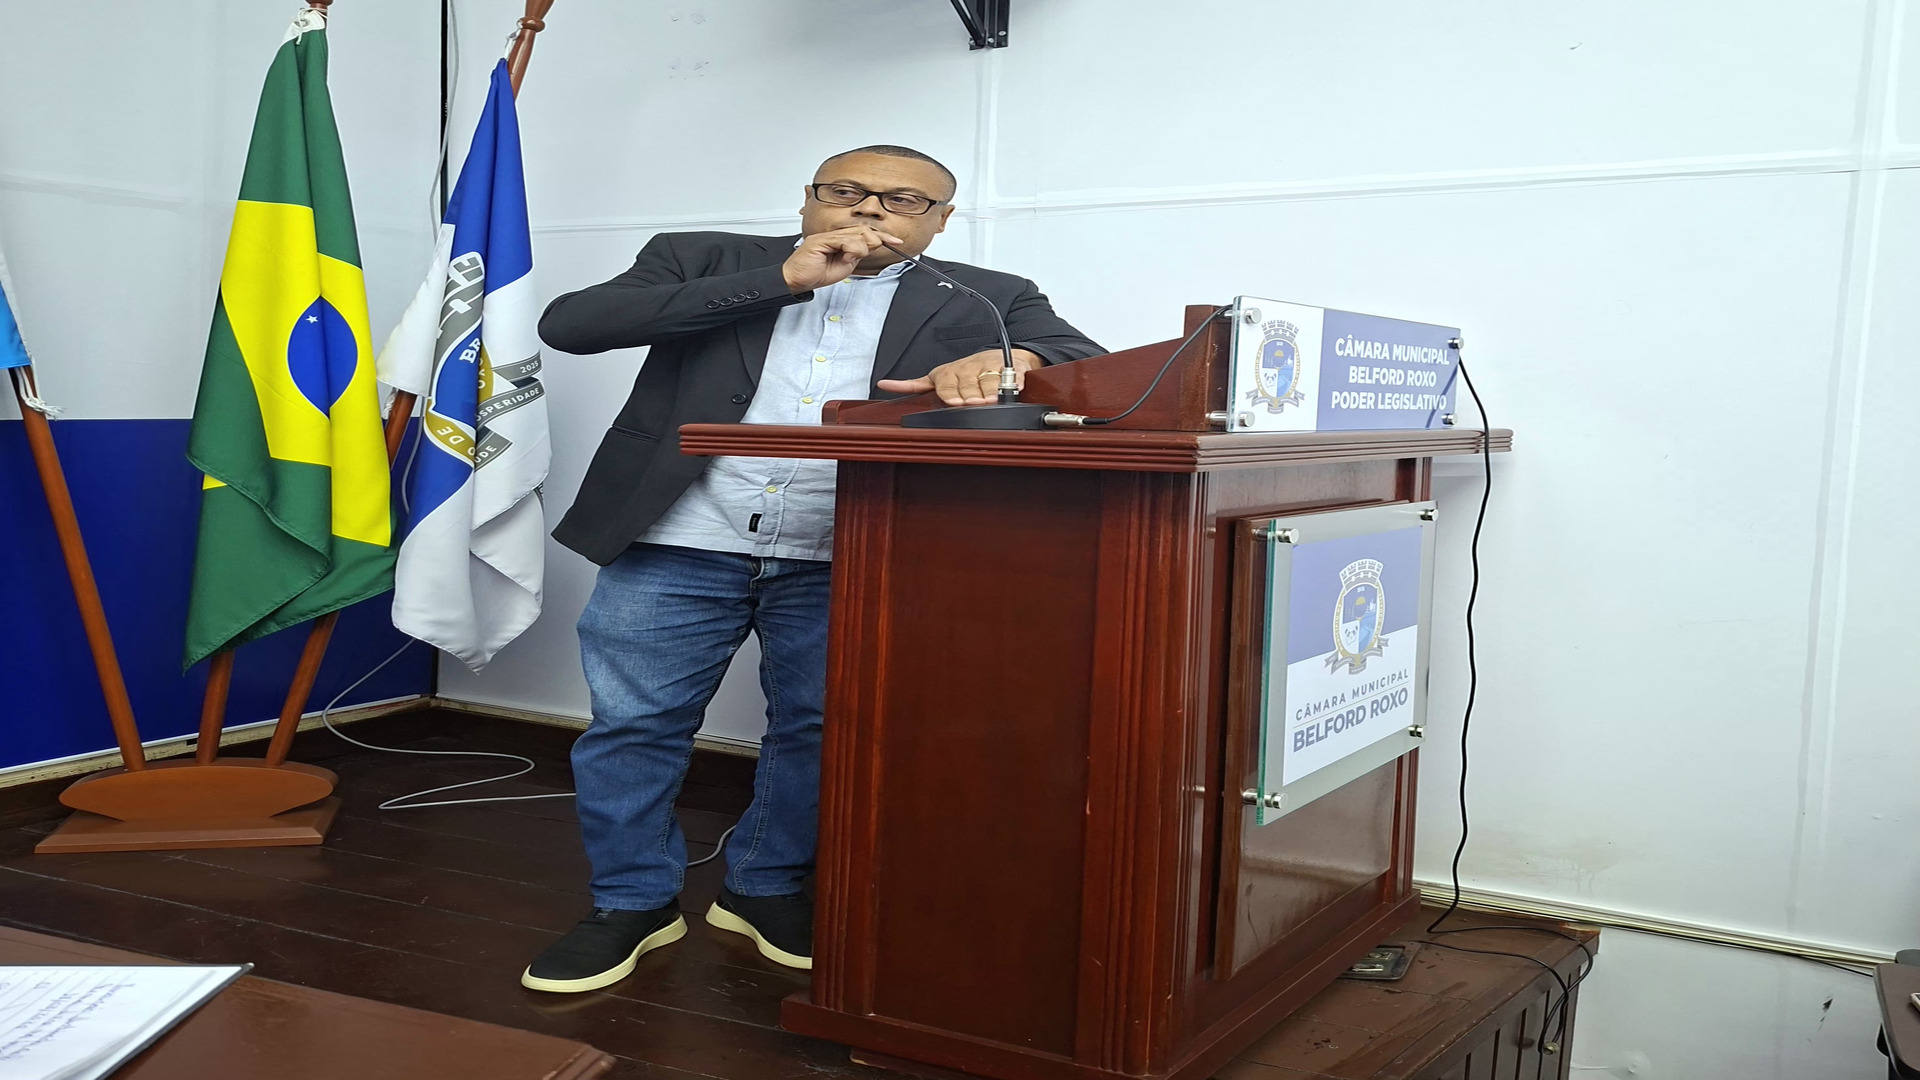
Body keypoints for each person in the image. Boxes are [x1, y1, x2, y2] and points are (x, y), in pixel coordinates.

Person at [520, 145, 1103, 992]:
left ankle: (763, 887)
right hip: (678, 538)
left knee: (820, 727)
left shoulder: (988, 295)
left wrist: (1020, 365)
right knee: (634, 726)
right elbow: (572, 326)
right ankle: (631, 902)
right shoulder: (701, 257)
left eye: (903, 200)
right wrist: (783, 280)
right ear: (808, 200)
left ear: (940, 222)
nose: (870, 210)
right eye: (848, 191)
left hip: (852, 546)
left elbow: (1089, 369)